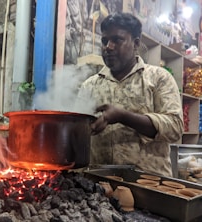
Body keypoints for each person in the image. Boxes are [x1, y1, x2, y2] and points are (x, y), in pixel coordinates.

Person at [78, 12, 183, 177]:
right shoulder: (90, 85)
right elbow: (77, 134)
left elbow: (175, 128)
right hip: (100, 187)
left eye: (117, 40)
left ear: (136, 44)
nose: (108, 47)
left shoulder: (158, 78)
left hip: (150, 185)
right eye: (105, 41)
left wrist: (123, 116)